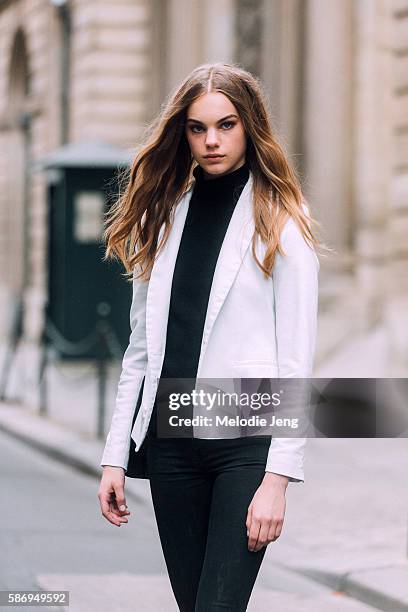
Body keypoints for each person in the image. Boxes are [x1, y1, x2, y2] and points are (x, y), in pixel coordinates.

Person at [97, 62, 322, 612]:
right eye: (198, 128)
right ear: (184, 133)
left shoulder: (280, 220)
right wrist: (115, 456)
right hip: (172, 443)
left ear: (250, 127)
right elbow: (141, 351)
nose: (212, 140)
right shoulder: (163, 217)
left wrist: (278, 480)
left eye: (226, 125)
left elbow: (296, 360)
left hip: (246, 442)